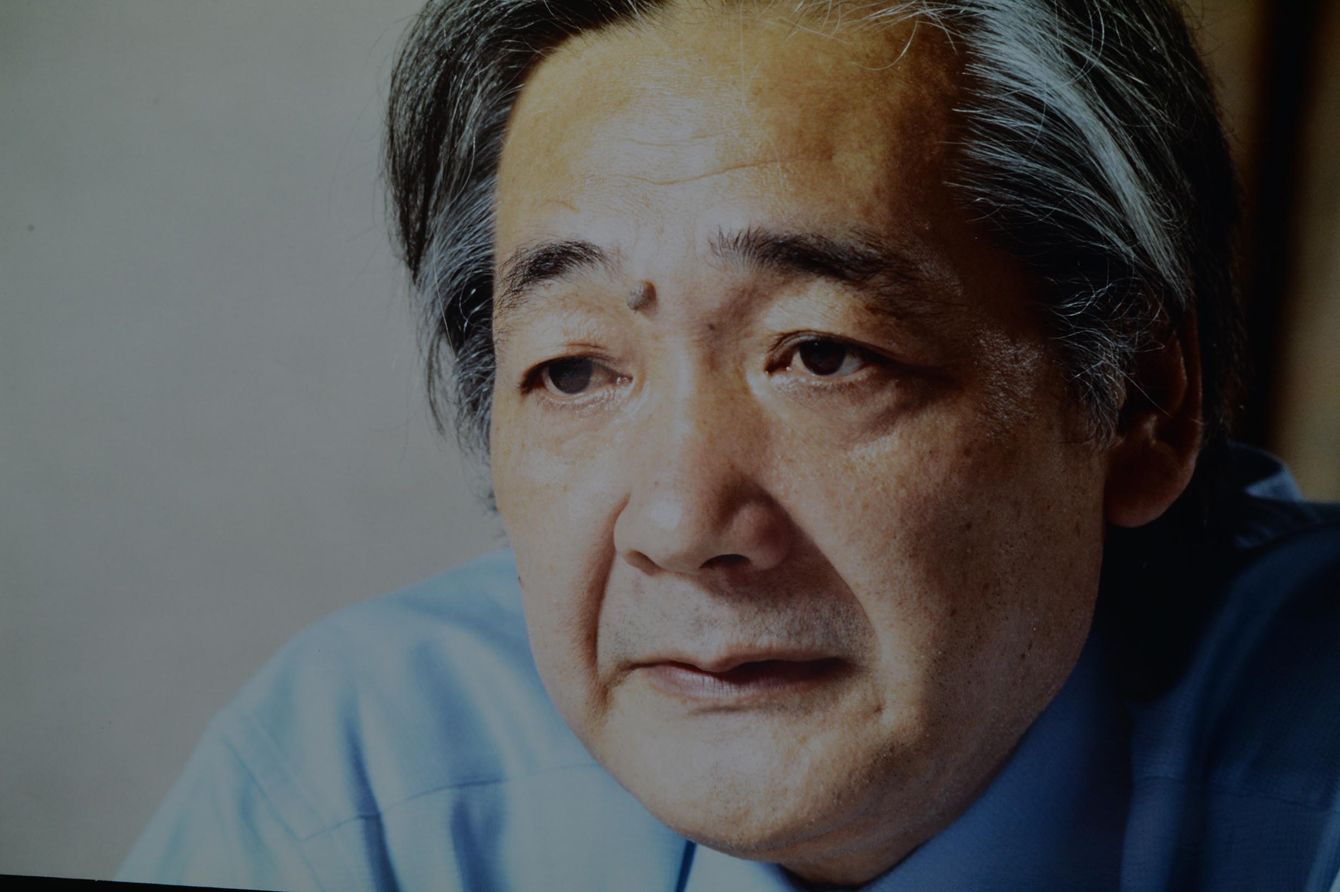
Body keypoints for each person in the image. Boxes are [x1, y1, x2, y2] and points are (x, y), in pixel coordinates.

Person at [119, 1, 1340, 889]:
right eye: (574, 369)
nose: (678, 524)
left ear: (1138, 401)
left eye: (822, 354)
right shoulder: (368, 776)